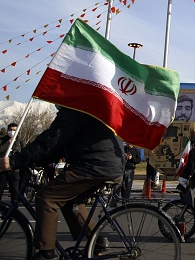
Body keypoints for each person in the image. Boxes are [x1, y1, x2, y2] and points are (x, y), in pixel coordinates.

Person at [0, 107, 125, 260]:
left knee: (46, 198)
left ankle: (46, 253)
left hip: (95, 165)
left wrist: (15, 161)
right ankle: (97, 241)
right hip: (107, 164)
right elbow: (57, 147)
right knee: (69, 201)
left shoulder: (74, 108)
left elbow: (51, 141)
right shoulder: (86, 107)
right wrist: (32, 160)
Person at [0, 122, 25, 203]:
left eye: (14, 130)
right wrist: (8, 142)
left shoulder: (19, 141)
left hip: (14, 170)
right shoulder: (2, 140)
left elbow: (23, 152)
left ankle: (14, 210)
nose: (12, 131)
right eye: (10, 130)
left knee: (15, 191)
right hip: (2, 170)